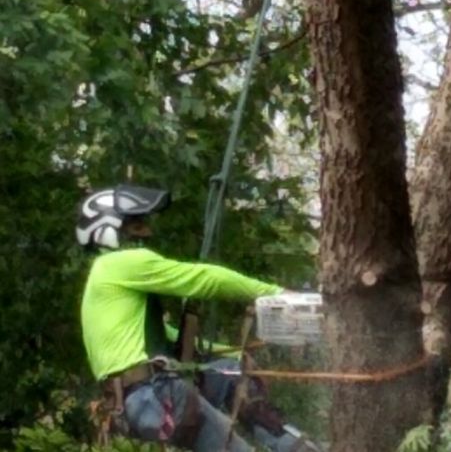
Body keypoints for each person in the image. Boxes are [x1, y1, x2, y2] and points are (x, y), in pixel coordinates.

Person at [77, 184, 320, 452]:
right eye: (137, 225)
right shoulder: (116, 264)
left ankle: (293, 444)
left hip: (142, 398)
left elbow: (164, 336)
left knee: (230, 372)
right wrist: (276, 293)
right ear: (110, 229)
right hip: (153, 393)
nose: (147, 231)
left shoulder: (103, 280)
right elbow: (204, 279)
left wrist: (237, 353)